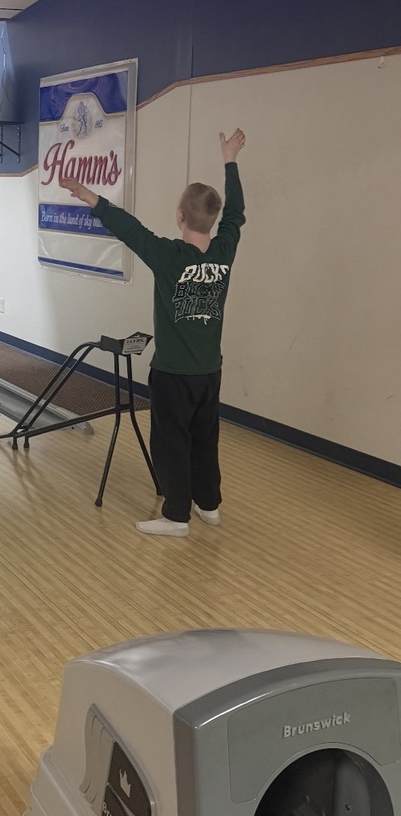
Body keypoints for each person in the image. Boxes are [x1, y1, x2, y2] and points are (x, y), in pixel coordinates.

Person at [60, 129, 246, 537]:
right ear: (213, 220)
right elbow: (236, 215)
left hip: (173, 373)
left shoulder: (167, 256)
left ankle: (177, 516)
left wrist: (90, 196)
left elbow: (130, 230)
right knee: (205, 436)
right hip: (209, 371)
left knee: (171, 442)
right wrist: (229, 160)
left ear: (180, 216)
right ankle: (209, 505)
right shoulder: (224, 250)